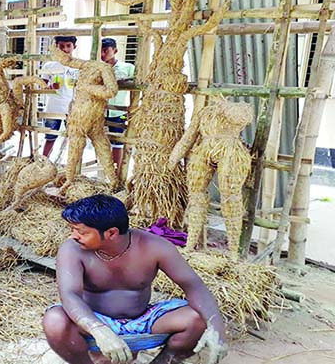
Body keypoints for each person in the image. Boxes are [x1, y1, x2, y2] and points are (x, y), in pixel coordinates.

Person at [43, 195, 227, 364]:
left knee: (197, 319)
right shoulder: (72, 249)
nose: (74, 236)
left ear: (112, 233)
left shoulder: (155, 246)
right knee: (54, 320)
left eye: (81, 232)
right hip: (94, 320)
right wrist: (98, 329)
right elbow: (70, 295)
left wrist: (217, 330)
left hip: (144, 320)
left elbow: (193, 285)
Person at [101, 38, 135, 174]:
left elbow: (135, 85)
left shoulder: (128, 68)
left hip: (118, 112)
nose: (103, 54)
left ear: (115, 51)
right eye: (101, 51)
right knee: (101, 143)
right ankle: (104, 173)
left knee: (118, 143)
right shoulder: (97, 69)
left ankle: (117, 174)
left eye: (106, 51)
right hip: (100, 112)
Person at [41, 36, 79, 158]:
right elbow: (41, 86)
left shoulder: (79, 66)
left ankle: (70, 165)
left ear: (74, 47)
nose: (65, 49)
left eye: (68, 45)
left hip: (73, 108)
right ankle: (44, 162)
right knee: (50, 137)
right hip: (53, 107)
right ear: (56, 47)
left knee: (74, 139)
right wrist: (50, 87)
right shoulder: (49, 66)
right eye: (61, 46)